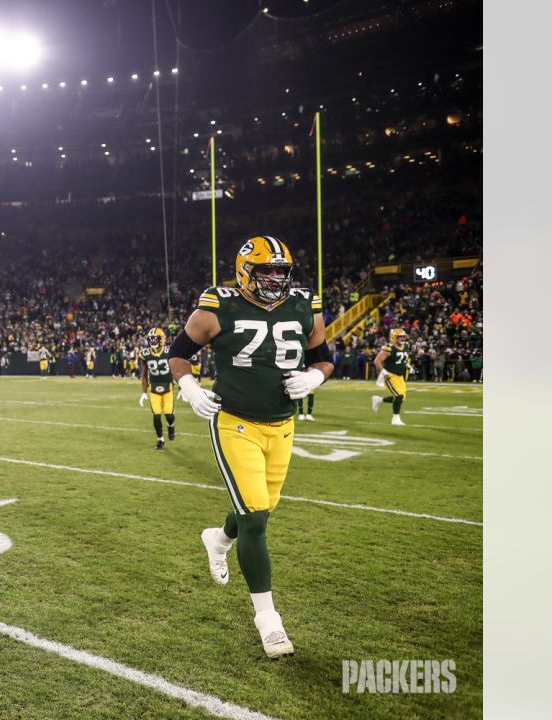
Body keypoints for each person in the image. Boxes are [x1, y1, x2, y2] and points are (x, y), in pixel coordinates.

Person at [171, 236, 333, 658]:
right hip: (235, 422)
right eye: (267, 271)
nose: (277, 278)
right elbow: (178, 353)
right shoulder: (217, 305)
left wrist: (315, 377)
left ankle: (219, 538)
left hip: (282, 425)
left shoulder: (303, 304)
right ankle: (269, 620)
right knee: (256, 518)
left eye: (282, 271)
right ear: (246, 271)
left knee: (258, 509)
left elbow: (324, 356)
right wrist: (189, 386)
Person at [138, 327, 176, 450]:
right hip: (153, 388)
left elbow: (176, 369)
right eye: (151, 339)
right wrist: (144, 392)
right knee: (156, 416)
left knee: (169, 415)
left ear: (162, 339)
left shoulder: (169, 351)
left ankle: (171, 425)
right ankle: (160, 439)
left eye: (155, 339)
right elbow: (144, 374)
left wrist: (182, 386)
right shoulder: (145, 354)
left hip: (168, 387)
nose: (152, 341)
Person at [372, 328, 410, 426]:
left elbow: (401, 359)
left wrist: (407, 365)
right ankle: (395, 419)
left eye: (403, 336)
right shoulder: (388, 348)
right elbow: (377, 361)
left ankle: (379, 400)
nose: (402, 339)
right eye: (399, 337)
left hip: (400, 376)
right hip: (390, 375)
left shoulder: (405, 346)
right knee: (399, 396)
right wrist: (384, 373)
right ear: (394, 338)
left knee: (401, 398)